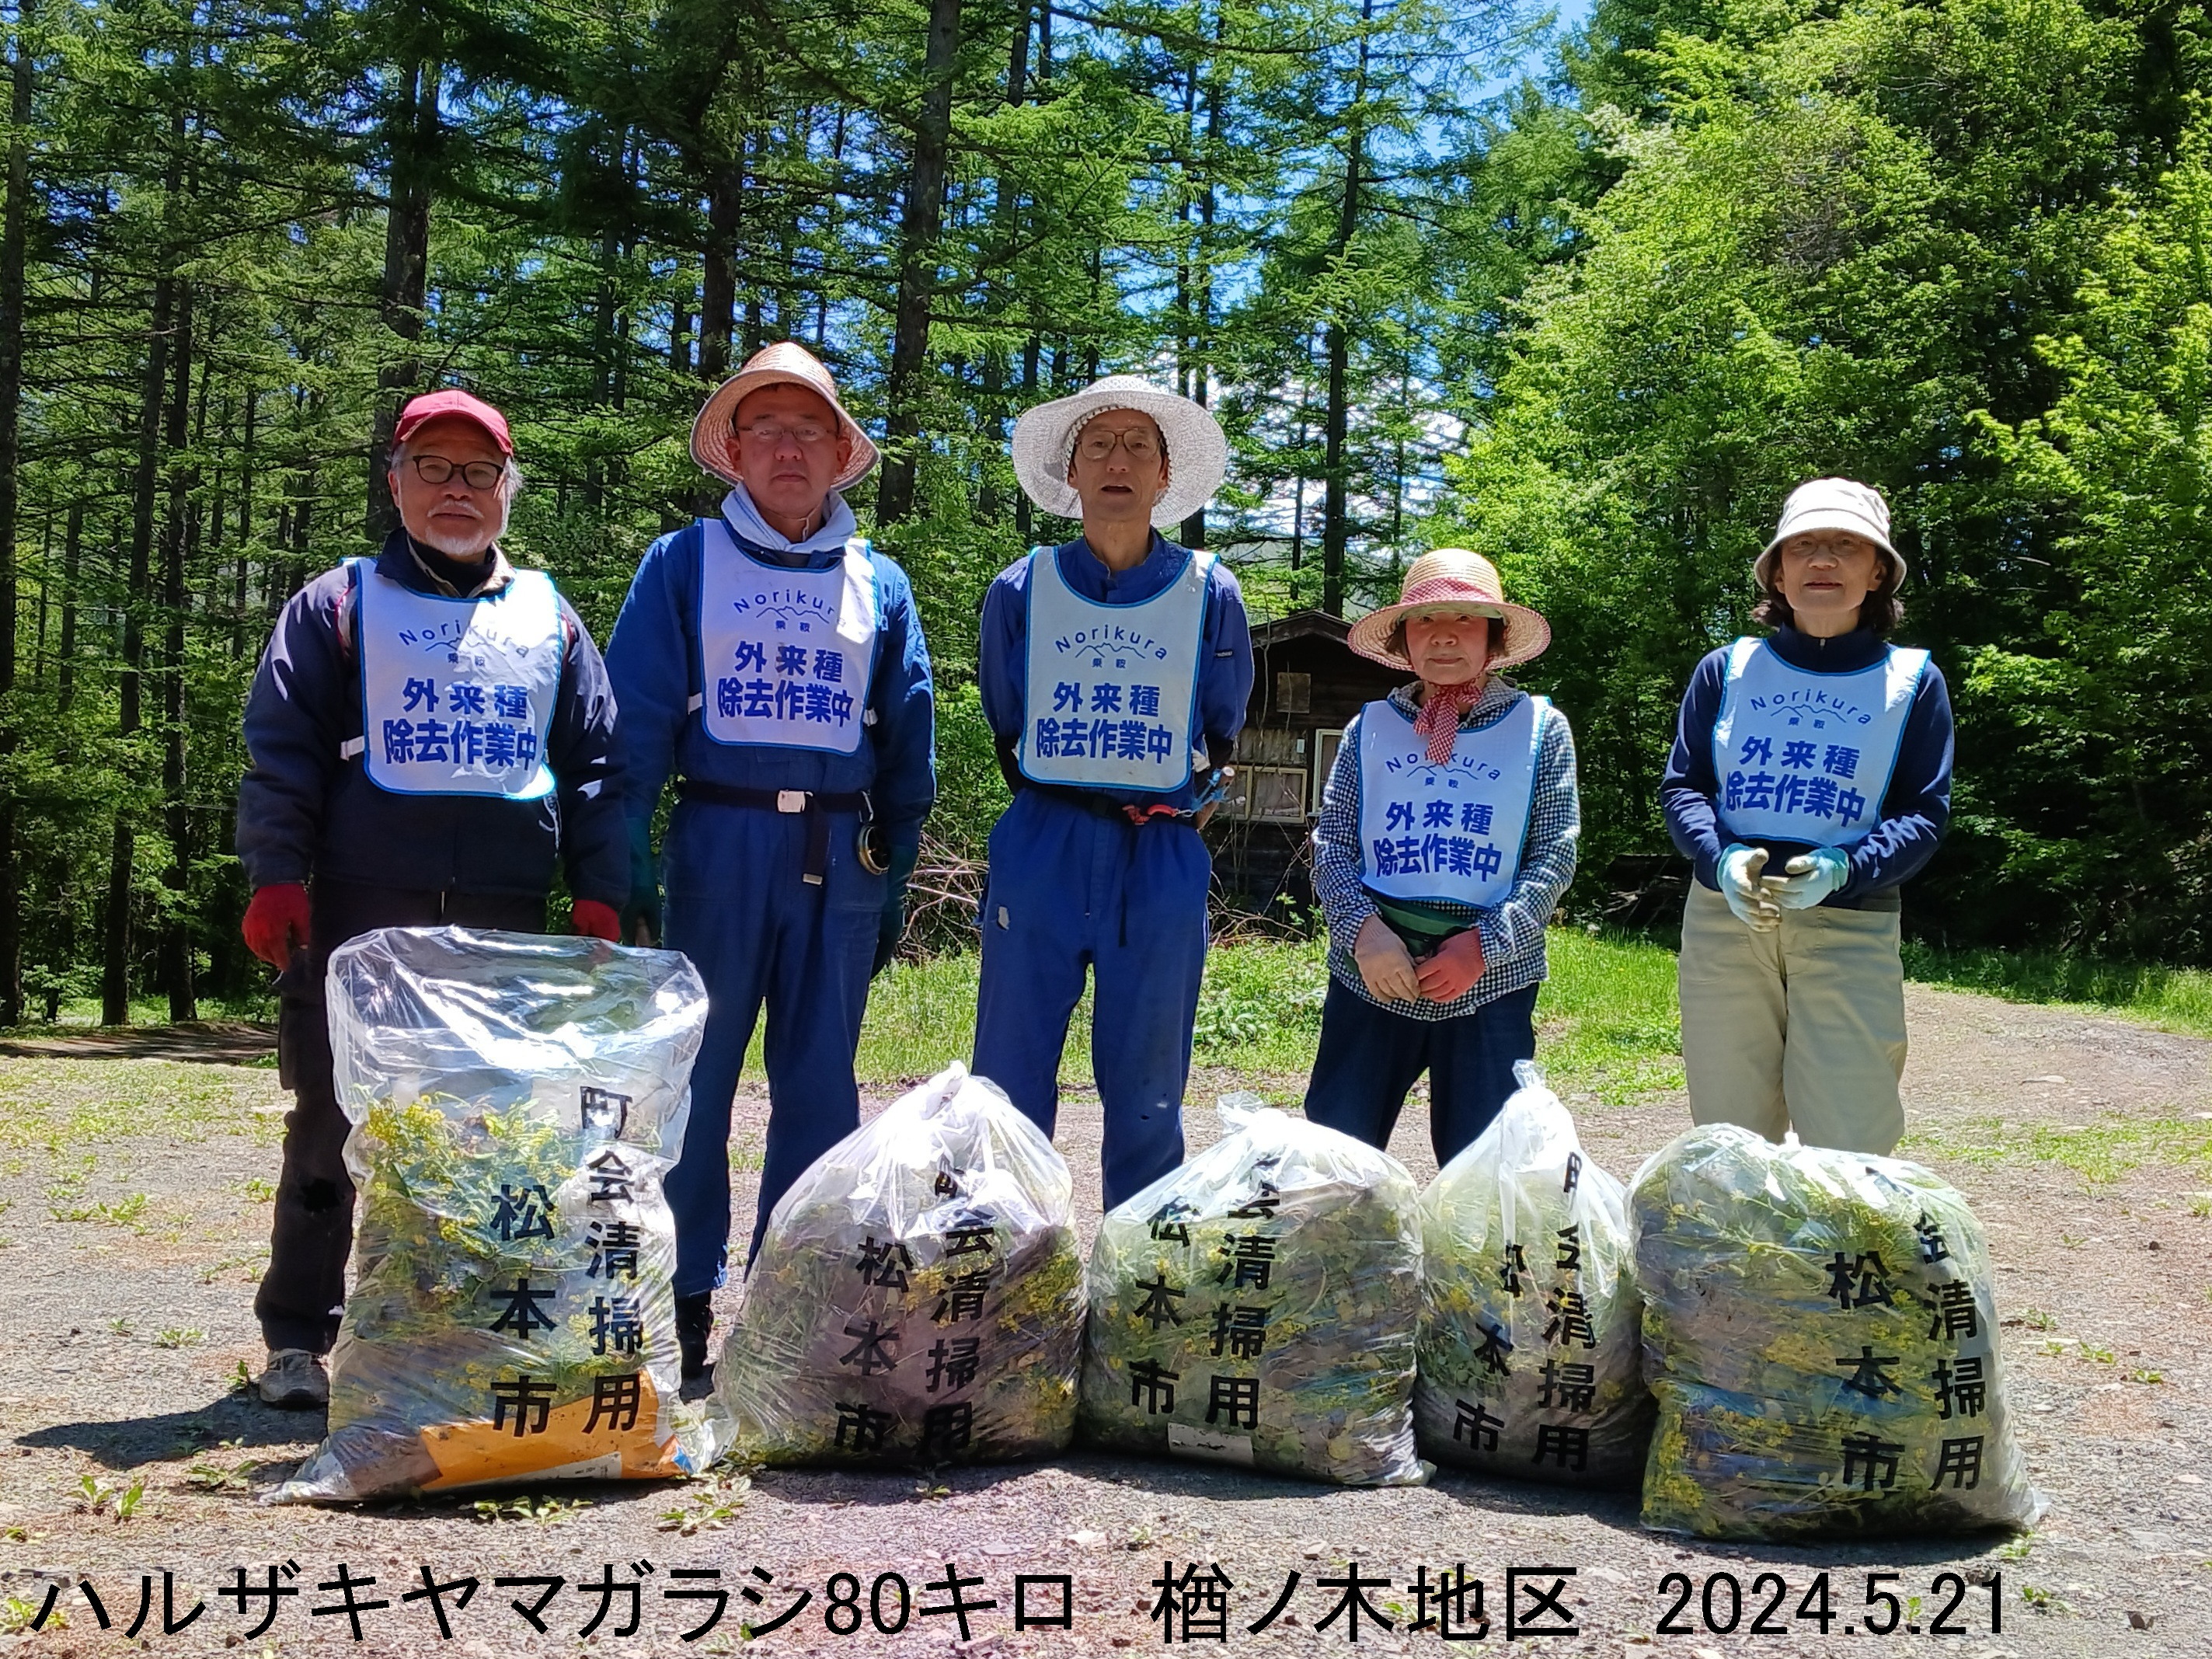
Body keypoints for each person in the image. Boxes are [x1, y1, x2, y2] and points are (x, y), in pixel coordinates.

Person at [235, 388, 627, 1409]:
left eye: (478, 471)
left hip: (505, 916)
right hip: (364, 908)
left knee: (490, 1123)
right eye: (434, 468)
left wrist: (601, 890)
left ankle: (454, 1325)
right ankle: (296, 1335)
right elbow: (282, 752)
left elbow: (594, 764)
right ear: (396, 481)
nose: (456, 490)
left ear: (506, 488)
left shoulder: (550, 615)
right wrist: (277, 873)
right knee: (332, 1119)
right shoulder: (336, 605)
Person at [606, 342, 935, 1383]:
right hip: (718, 839)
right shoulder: (683, 564)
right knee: (693, 1083)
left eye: (809, 428)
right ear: (734, 450)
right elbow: (635, 728)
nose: (788, 447)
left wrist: (891, 879)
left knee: (818, 1088)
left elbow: (907, 743)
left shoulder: (876, 580)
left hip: (839, 851)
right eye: (766, 427)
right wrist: (621, 872)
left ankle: (792, 1294)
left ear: (841, 452)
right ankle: (684, 1295)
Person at [973, 376, 1253, 1210]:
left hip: (1159, 853)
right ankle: (1010, 1273)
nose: (1118, 461)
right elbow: (1005, 713)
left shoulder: (1212, 590)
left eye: (1139, 445)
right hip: (1042, 842)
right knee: (1009, 1078)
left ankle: (1137, 1285)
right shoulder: (1019, 588)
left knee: (1147, 1088)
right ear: (1071, 471)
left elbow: (1222, 722)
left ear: (1166, 475)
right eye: (1098, 444)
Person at [1662, 477, 1954, 1156]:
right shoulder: (1725, 669)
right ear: (1778, 571)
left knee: (1852, 1133)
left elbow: (1924, 810)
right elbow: (1684, 788)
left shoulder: (1913, 680)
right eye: (1804, 547)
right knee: (1730, 1132)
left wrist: (1844, 867)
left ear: (1876, 570)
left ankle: (1841, 1262)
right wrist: (1720, 856)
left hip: (1850, 921)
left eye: (1845, 546)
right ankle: (1744, 1259)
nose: (1823, 561)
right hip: (1725, 918)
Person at [1303, 550, 1580, 1162]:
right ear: (1403, 641)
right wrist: (1362, 933)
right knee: (1336, 1154)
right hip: (1372, 973)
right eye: (1426, 620)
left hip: (1491, 978)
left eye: (1465, 618)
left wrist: (1483, 945)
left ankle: (1470, 1264)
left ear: (1495, 637)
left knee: (1485, 1167)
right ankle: (1344, 1261)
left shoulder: (1539, 727)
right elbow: (1332, 843)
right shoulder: (1369, 726)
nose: (1446, 635)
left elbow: (1554, 855)